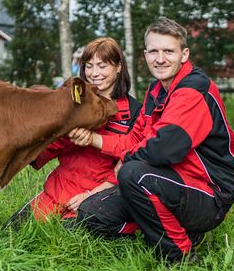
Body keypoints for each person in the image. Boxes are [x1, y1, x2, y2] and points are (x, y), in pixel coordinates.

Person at [69, 17, 234, 262]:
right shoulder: (156, 89)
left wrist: (124, 162)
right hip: (168, 179)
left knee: (133, 173)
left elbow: (163, 151)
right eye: (154, 51)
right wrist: (94, 142)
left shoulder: (194, 89)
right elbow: (135, 139)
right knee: (91, 213)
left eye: (168, 51)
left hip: (208, 193)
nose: (160, 58)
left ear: (184, 54)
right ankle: (165, 229)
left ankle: (179, 254)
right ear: (145, 54)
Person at [8, 37, 142, 224]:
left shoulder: (135, 112)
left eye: (102, 66)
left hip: (98, 195)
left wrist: (91, 195)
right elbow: (54, 145)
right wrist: (27, 148)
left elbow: (130, 163)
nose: (94, 73)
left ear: (118, 67)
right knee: (11, 232)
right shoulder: (74, 104)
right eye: (89, 66)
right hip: (60, 187)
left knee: (65, 239)